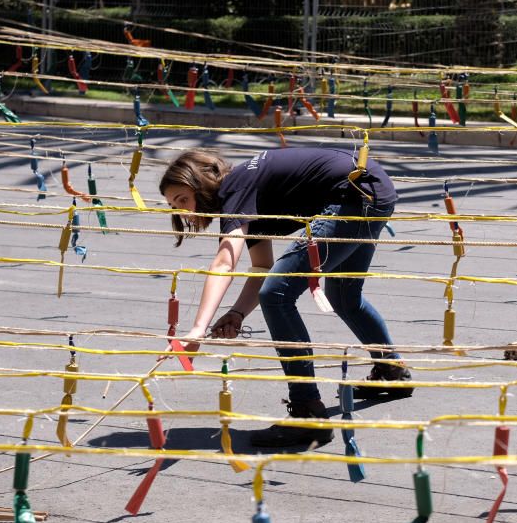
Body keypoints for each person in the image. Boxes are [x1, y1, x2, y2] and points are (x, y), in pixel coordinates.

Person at [159, 146, 411, 447]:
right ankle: (391, 369)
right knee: (343, 296)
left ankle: (308, 413)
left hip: (351, 196)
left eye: (184, 199)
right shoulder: (247, 194)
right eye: (176, 207)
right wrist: (237, 314)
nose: (185, 212)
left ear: (201, 182)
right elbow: (262, 265)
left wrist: (198, 329)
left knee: (278, 293)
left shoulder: (235, 188)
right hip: (371, 192)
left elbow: (226, 261)